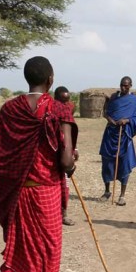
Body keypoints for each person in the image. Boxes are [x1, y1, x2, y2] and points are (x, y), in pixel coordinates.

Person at [0, 56, 78, 272]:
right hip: (47, 192)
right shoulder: (59, 110)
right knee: (48, 253)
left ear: (27, 79)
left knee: (17, 248)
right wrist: (73, 161)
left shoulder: (10, 108)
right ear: (51, 79)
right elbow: (65, 162)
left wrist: (10, 179)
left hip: (20, 192)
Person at [99, 76, 136, 206]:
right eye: (122, 85)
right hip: (110, 134)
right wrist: (109, 119)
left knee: (125, 163)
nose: (123, 88)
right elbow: (105, 113)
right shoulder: (113, 98)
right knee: (106, 162)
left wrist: (127, 120)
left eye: (126, 86)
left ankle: (122, 195)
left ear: (130, 86)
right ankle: (107, 191)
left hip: (124, 135)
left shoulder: (134, 101)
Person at [54, 86, 79, 226]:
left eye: (67, 101)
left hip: (66, 152)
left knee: (66, 185)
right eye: (62, 101)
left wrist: (74, 149)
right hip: (52, 154)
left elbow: (69, 134)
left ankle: (64, 214)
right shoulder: (49, 111)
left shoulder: (69, 109)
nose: (65, 104)